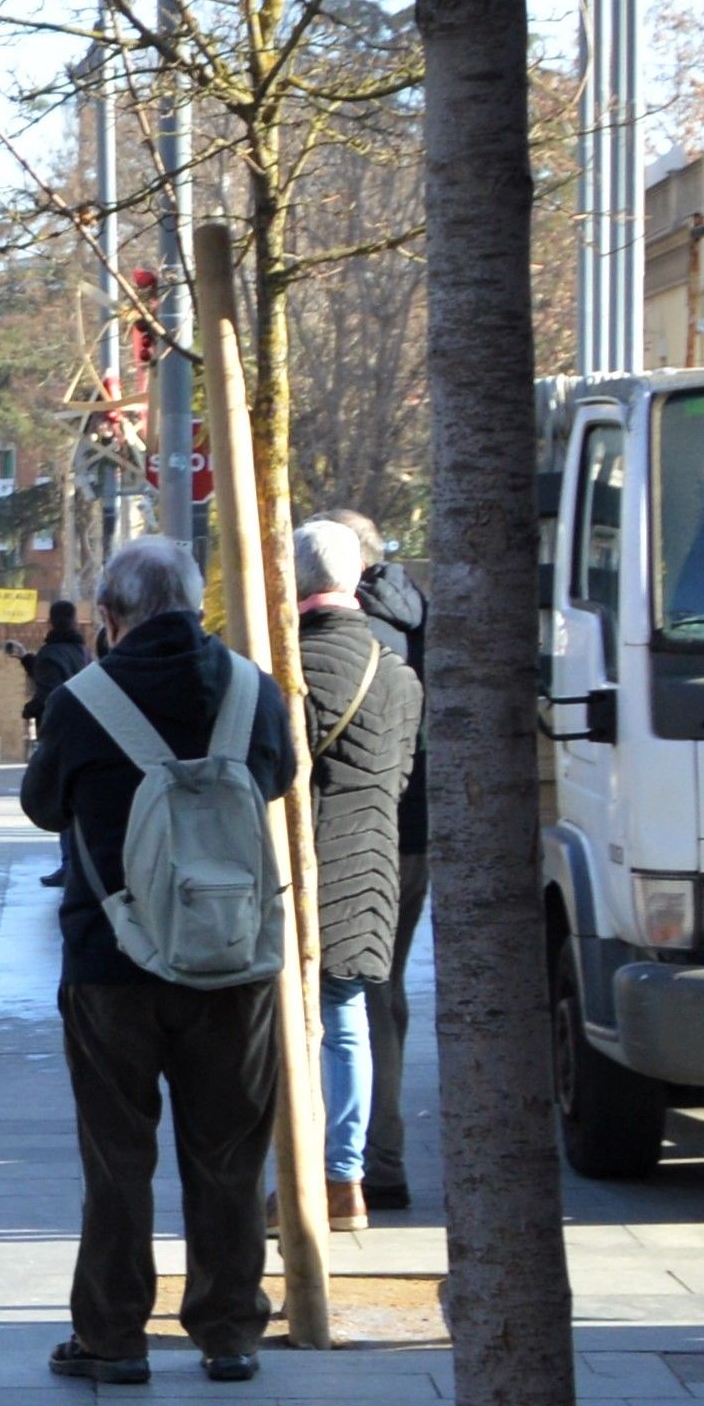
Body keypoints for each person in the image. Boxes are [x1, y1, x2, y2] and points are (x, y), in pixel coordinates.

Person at [21, 537, 301, 1387]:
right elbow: (281, 779)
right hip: (231, 956)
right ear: (198, 602)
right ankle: (228, 1332)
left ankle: (113, 1337)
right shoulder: (256, 692)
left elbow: (41, 806)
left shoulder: (81, 699)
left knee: (118, 1155)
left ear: (108, 617)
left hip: (113, 961)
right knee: (228, 1154)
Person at [291, 521, 417, 1236]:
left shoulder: (288, 668)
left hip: (300, 867)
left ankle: (301, 1180)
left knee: (293, 1026)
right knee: (347, 1019)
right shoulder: (398, 670)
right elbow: (397, 776)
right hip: (373, 861)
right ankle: (348, 1181)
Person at [352, 534, 428, 1212]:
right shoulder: (421, 616)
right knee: (386, 987)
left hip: (361, 834)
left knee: (355, 993)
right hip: (416, 835)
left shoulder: (350, 633)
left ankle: (367, 1161)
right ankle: (385, 1153)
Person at [20, 598, 93, 744]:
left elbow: (49, 695)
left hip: (57, 735)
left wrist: (29, 710)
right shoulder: (86, 654)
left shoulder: (48, 654)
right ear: (75, 622)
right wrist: (27, 659)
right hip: (85, 731)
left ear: (50, 623)